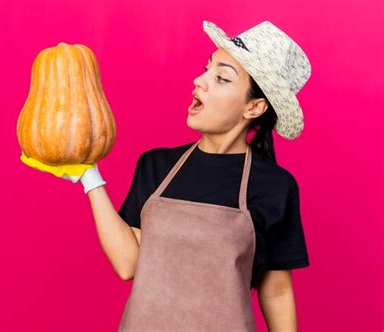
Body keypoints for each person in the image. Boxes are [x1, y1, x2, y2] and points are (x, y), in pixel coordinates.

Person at [21, 19, 312, 332]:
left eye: (221, 78)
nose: (200, 81)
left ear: (253, 108)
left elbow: (277, 291)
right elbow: (127, 263)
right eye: (206, 68)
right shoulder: (156, 166)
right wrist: (90, 177)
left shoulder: (274, 186)